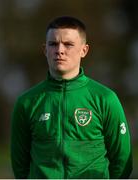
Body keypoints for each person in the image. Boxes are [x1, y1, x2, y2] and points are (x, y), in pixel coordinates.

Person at [11, 16, 133, 179]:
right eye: (53, 44)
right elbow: (20, 164)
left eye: (68, 44)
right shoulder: (26, 102)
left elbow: (122, 161)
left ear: (84, 50)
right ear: (45, 49)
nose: (59, 50)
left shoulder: (105, 98)